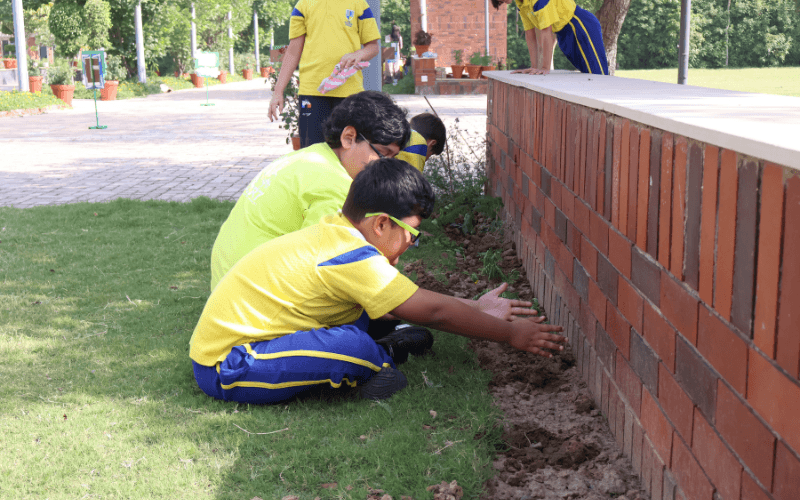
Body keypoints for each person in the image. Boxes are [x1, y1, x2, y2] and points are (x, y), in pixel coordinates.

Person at [190, 159, 568, 404]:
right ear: (382, 223)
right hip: (229, 363)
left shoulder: (338, 233)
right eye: (413, 234)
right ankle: (380, 357)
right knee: (354, 346)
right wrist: (512, 334)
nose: (413, 244)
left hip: (259, 339)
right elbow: (431, 310)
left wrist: (479, 308)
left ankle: (385, 344)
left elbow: (407, 298)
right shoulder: (350, 255)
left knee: (373, 312)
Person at [211, 91, 408, 292]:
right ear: (349, 138)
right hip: (254, 296)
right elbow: (327, 265)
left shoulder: (311, 155)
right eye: (383, 155)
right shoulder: (335, 186)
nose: (388, 167)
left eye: (394, 158)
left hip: (230, 282)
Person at [268, 0, 381, 148]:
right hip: (311, 93)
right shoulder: (302, 5)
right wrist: (278, 92)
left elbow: (373, 47)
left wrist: (360, 54)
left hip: (349, 93)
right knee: (313, 152)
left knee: (349, 151)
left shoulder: (359, 4)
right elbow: (293, 52)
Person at [493, 0, 608, 75]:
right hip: (563, 33)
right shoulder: (521, 4)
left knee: (598, 74)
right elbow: (530, 34)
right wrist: (533, 67)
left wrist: (544, 67)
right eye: (501, 1)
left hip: (579, 25)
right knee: (587, 74)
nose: (504, 2)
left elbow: (546, 31)